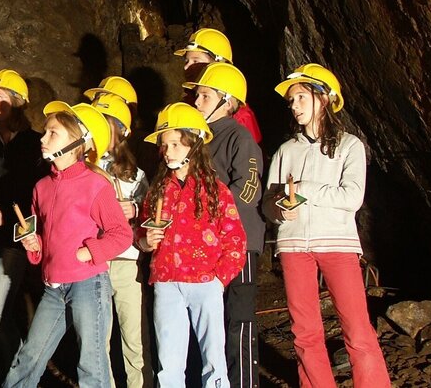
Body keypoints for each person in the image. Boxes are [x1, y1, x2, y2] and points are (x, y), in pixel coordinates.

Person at [263, 64, 390, 387]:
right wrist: (278, 210)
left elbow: (352, 197)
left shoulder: (350, 146)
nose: (294, 105)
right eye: (292, 100)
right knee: (304, 331)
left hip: (337, 243)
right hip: (293, 247)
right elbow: (266, 202)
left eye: (301, 97)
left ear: (324, 99)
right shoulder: (285, 151)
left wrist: (304, 188)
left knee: (356, 326)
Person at [4, 101, 132, 388]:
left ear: (79, 142)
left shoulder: (95, 185)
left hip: (87, 284)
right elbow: (42, 239)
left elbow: (121, 234)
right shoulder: (41, 187)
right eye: (45, 131)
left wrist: (89, 252)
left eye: (53, 133)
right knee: (29, 358)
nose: (43, 138)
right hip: (53, 288)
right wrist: (32, 244)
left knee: (91, 365)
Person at [138, 103, 246, 388]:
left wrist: (218, 279)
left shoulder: (216, 190)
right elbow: (142, 232)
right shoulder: (158, 190)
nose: (168, 151)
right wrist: (145, 242)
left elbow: (235, 239)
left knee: (213, 359)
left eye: (175, 143)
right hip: (166, 281)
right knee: (169, 362)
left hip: (205, 282)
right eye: (164, 145)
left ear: (193, 144)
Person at [184, 62, 265, 388]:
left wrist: (207, 214)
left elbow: (248, 187)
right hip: (205, 243)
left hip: (238, 243)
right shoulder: (197, 140)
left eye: (204, 96)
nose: (197, 101)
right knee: (207, 321)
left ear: (226, 101)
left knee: (238, 319)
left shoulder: (239, 137)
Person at [0, 69, 47, 386]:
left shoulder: (35, 146)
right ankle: (7, 376)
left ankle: (21, 379)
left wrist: (9, 219)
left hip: (14, 241)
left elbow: (41, 198)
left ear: (16, 104)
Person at [89, 91, 153, 388]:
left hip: (127, 262)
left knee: (134, 338)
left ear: (120, 130)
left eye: (104, 122)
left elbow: (152, 213)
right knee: (98, 340)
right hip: (95, 263)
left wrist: (136, 208)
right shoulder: (85, 168)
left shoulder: (135, 174)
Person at [174, 28, 261, 144]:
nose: (186, 67)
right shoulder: (189, 103)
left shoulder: (238, 115)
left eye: (195, 61)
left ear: (217, 64)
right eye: (186, 61)